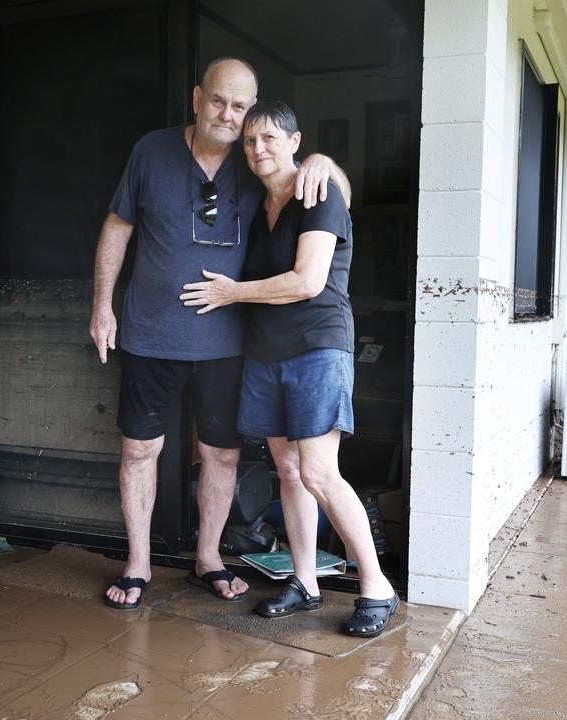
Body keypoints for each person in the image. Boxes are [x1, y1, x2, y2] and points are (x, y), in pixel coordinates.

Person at [90, 59, 350, 610]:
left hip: (231, 343)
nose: (228, 116)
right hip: (149, 334)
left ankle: (207, 558)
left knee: (223, 456)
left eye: (239, 107)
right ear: (196, 98)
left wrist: (321, 160)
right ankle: (137, 564)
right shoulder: (151, 151)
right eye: (218, 101)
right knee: (140, 449)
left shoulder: (257, 159)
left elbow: (330, 192)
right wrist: (102, 307)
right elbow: (118, 225)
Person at [179, 100, 399, 637]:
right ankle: (305, 583)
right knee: (288, 471)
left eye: (270, 139)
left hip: (317, 347)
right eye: (251, 141)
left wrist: (232, 293)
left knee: (320, 470)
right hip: (265, 354)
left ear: (295, 142)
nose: (258, 150)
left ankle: (376, 585)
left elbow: (307, 281)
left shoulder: (319, 193)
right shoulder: (258, 203)